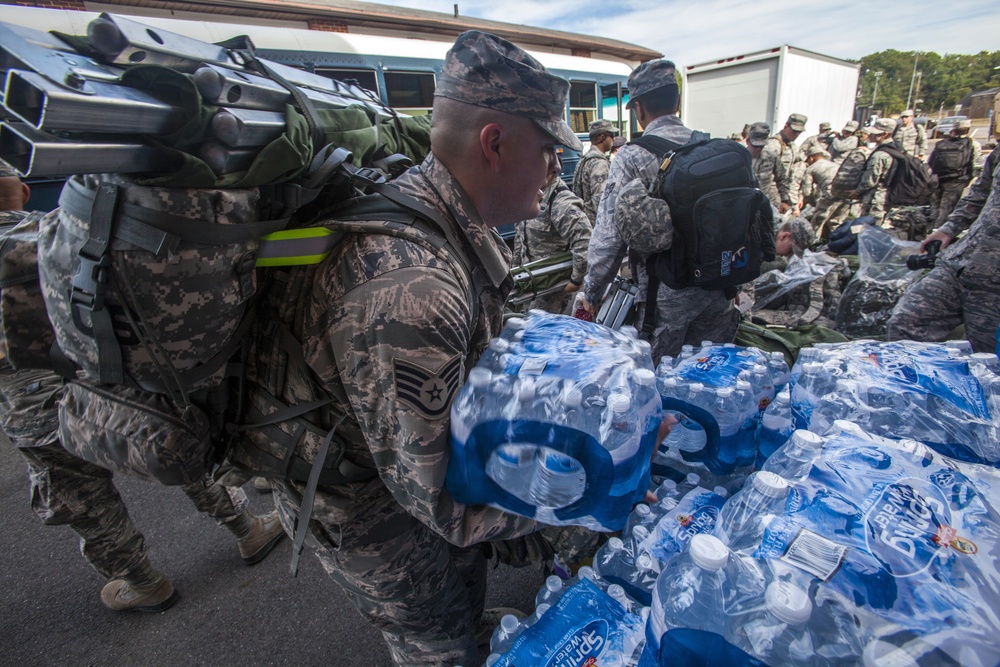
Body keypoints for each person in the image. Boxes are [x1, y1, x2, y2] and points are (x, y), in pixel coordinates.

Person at [264, 31, 587, 666]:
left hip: (400, 481)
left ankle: (462, 621)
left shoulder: (438, 217)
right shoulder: (414, 288)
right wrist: (594, 493)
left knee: (461, 597)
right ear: (493, 144)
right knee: (436, 640)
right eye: (549, 148)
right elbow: (450, 505)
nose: (556, 168)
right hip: (373, 517)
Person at [0, 161, 284, 614]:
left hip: (33, 411)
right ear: (24, 192)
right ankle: (247, 528)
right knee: (171, 441)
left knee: (86, 500)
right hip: (107, 383)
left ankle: (142, 581)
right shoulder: (56, 232)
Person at [580, 59, 739, 361]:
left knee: (657, 386)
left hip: (666, 298)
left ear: (638, 108)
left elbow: (610, 237)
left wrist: (591, 292)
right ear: (677, 100)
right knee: (709, 376)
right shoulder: (712, 148)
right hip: (721, 289)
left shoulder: (632, 157)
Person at [887, 147, 1000, 353]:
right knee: (906, 324)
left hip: (994, 286)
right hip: (961, 261)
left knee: (986, 359)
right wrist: (949, 229)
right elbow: (982, 191)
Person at [513, 167, 593, 313]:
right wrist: (516, 270)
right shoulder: (531, 193)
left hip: (552, 286)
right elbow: (520, 236)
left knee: (543, 331)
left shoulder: (561, 201)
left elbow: (584, 240)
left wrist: (576, 280)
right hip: (531, 280)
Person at [927, 118, 981, 228]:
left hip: (938, 178)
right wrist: (969, 179)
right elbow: (974, 164)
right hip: (956, 180)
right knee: (946, 208)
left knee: (935, 205)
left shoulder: (942, 143)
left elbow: (931, 161)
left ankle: (928, 228)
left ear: (954, 130)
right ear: (968, 130)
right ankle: (937, 231)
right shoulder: (972, 144)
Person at [571, 118, 619, 224]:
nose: (614, 139)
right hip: (595, 224)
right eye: (612, 135)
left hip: (584, 221)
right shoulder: (599, 163)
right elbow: (601, 200)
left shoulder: (585, 159)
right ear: (602, 137)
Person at [853, 117, 899, 224]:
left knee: (868, 231)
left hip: (875, 200)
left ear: (885, 134)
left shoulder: (879, 155)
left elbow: (870, 180)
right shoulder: (894, 148)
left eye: (875, 133)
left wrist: (857, 191)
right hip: (886, 196)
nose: (870, 135)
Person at [759, 113, 807, 214]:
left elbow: (795, 174)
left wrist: (795, 197)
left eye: (799, 132)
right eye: (794, 131)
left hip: (783, 193)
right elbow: (763, 177)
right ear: (786, 126)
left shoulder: (793, 147)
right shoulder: (773, 145)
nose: (796, 135)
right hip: (770, 194)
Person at [798, 146, 839, 225]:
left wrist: (812, 203)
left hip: (830, 193)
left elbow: (807, 192)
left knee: (817, 221)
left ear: (811, 158)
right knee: (836, 222)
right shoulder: (834, 165)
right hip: (845, 195)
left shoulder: (811, 168)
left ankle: (814, 237)